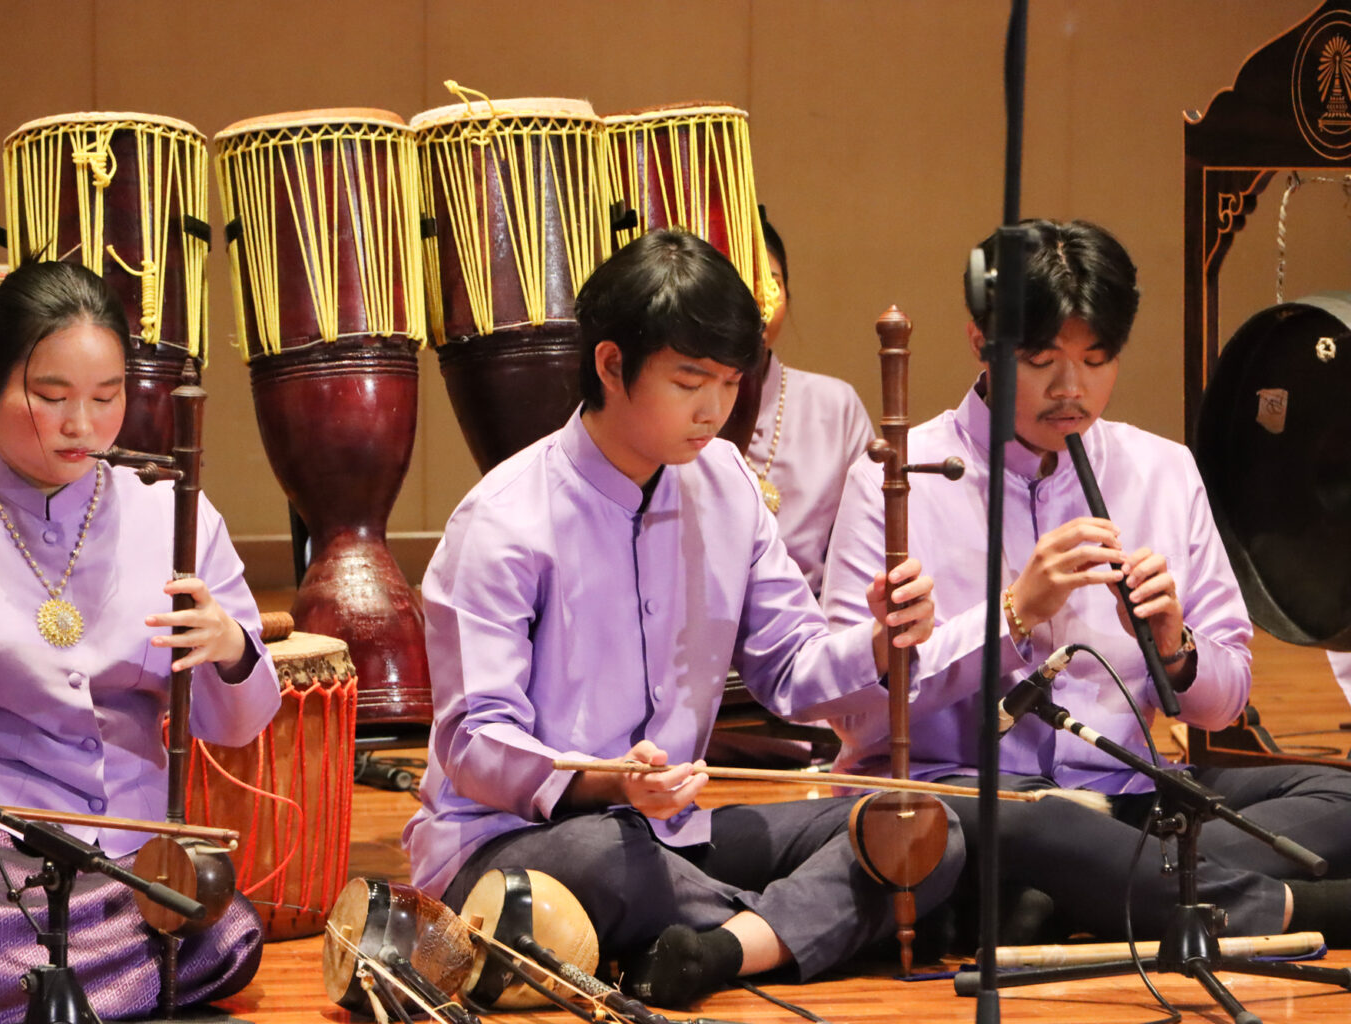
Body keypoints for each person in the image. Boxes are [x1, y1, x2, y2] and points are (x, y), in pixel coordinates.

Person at [403, 228, 964, 1010]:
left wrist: (875, 640)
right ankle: (831, 925)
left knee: (913, 823)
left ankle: (718, 952)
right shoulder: (501, 519)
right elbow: (474, 742)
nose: (714, 410)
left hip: (674, 836)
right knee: (610, 860)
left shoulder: (727, 486)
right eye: (690, 380)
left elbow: (790, 669)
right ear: (609, 364)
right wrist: (612, 782)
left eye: (731, 383)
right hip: (516, 842)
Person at [821, 218, 1351, 946]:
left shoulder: (1161, 471)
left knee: (1340, 793)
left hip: (1124, 798)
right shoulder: (899, 480)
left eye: (1098, 360)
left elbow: (1224, 703)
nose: (1072, 389)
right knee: (1029, 824)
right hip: (969, 800)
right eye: (1041, 360)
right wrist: (1012, 616)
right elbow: (851, 714)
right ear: (982, 342)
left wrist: (1176, 647)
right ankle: (1270, 907)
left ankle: (1075, 900)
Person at [0, 260, 282, 1023]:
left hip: (125, 840)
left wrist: (231, 649)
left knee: (222, 932)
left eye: (107, 398)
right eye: (52, 396)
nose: (83, 426)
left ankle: (10, 993)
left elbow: (234, 729)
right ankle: (60, 988)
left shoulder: (176, 518)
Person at [742, 218, 874, 595]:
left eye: (772, 283)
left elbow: (865, 554)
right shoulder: (678, 408)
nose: (757, 303)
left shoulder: (835, 407)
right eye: (738, 285)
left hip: (815, 634)